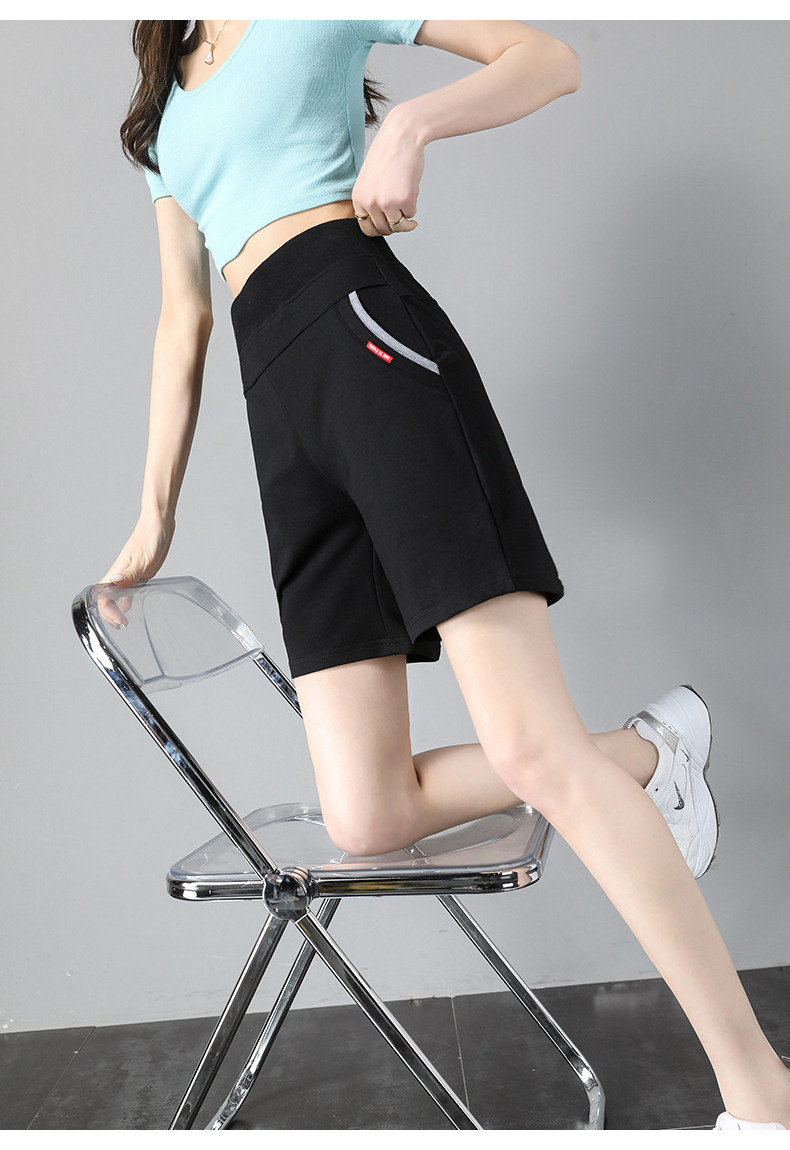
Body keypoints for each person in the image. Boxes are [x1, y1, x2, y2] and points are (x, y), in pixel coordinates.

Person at [103, 20, 789, 1131]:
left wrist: (414, 122)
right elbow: (183, 316)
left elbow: (550, 59)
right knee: (367, 813)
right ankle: (647, 752)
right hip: (278, 407)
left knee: (532, 750)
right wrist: (155, 514)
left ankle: (762, 1092)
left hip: (365, 334)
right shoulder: (161, 116)